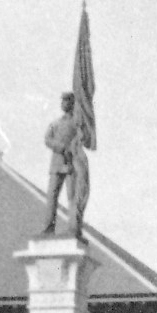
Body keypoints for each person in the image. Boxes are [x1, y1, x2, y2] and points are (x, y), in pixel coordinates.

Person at [43, 91, 90, 239]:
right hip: (57, 163)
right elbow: (47, 139)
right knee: (52, 196)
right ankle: (48, 227)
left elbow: (83, 138)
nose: (63, 104)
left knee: (72, 196)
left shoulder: (77, 124)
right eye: (62, 101)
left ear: (72, 104)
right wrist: (61, 147)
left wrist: (73, 147)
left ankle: (74, 229)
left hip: (71, 165)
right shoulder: (55, 123)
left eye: (66, 101)